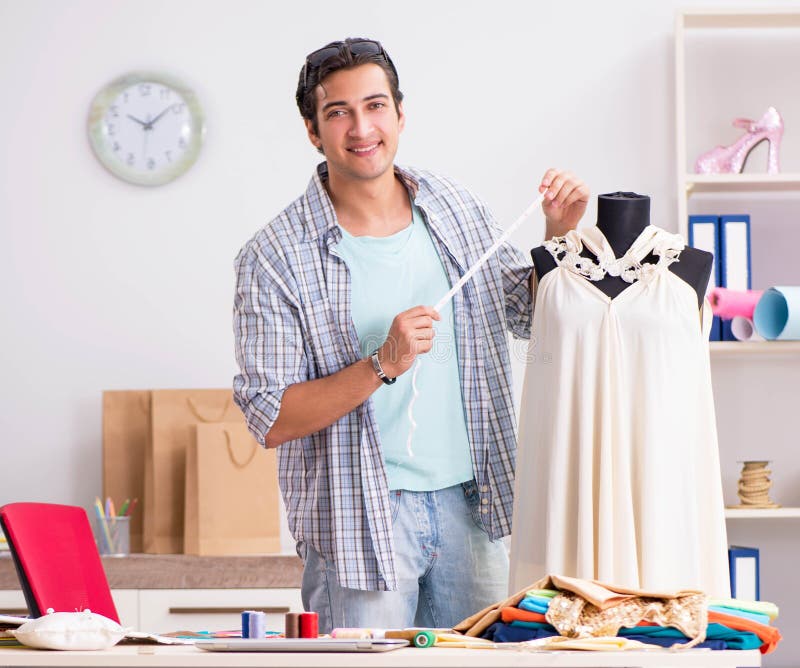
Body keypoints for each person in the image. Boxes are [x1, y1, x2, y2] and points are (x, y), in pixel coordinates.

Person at [232, 37, 589, 632]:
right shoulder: (274, 257)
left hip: (473, 510)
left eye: (375, 106)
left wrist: (556, 236)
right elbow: (270, 418)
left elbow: (526, 314)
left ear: (400, 115)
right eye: (337, 112)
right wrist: (381, 364)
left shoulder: (454, 208)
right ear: (313, 131)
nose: (361, 127)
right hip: (358, 525)